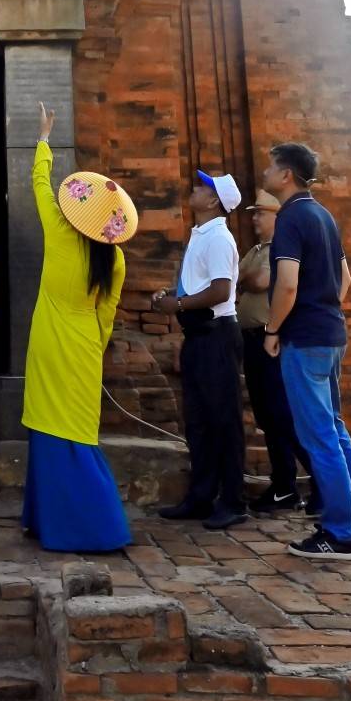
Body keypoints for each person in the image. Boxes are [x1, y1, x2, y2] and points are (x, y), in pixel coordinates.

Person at [21, 103, 136, 553]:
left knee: (49, 430)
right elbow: (107, 314)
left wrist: (44, 140)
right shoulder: (116, 258)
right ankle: (48, 518)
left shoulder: (59, 233)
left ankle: (94, 526)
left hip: (50, 340)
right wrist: (96, 347)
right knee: (78, 433)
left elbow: (39, 186)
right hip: (86, 344)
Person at [261, 142, 351, 561]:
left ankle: (339, 533)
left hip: (304, 339)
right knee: (335, 431)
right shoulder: (323, 215)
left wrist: (274, 328)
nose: (266, 173)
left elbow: (287, 284)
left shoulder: (291, 218)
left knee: (319, 436)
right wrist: (323, 310)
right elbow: (344, 279)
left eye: (271, 167)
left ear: (286, 174)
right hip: (329, 334)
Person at [152, 168, 246, 530]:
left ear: (213, 201)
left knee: (223, 420)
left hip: (217, 334)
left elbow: (222, 291)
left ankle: (233, 500)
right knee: (199, 422)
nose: (194, 189)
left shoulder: (219, 238)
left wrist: (177, 305)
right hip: (200, 335)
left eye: (202, 187)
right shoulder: (201, 235)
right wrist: (172, 296)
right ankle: (202, 496)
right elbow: (201, 285)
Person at [238, 189, 320, 515]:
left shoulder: (282, 249)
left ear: (278, 216)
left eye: (261, 212)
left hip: (272, 340)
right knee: (268, 417)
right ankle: (283, 486)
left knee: (283, 416)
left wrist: (245, 279)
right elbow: (238, 279)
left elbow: (258, 281)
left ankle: (320, 482)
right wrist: (244, 279)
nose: (255, 218)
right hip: (253, 341)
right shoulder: (256, 249)